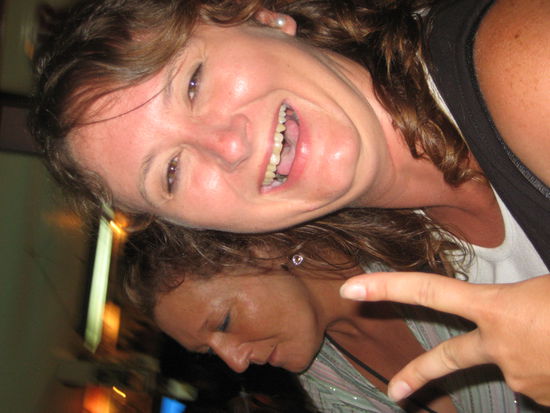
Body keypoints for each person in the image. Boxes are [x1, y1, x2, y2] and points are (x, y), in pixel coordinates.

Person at [29, 0, 549, 405]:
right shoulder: (412, 241)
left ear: (264, 19)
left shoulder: (523, 67)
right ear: (197, 228)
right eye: (171, 172)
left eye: (192, 83)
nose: (227, 145)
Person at [121, 220, 549, 412]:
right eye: (209, 352)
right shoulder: (329, 382)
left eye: (224, 324)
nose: (236, 363)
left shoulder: (423, 237)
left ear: (262, 248)